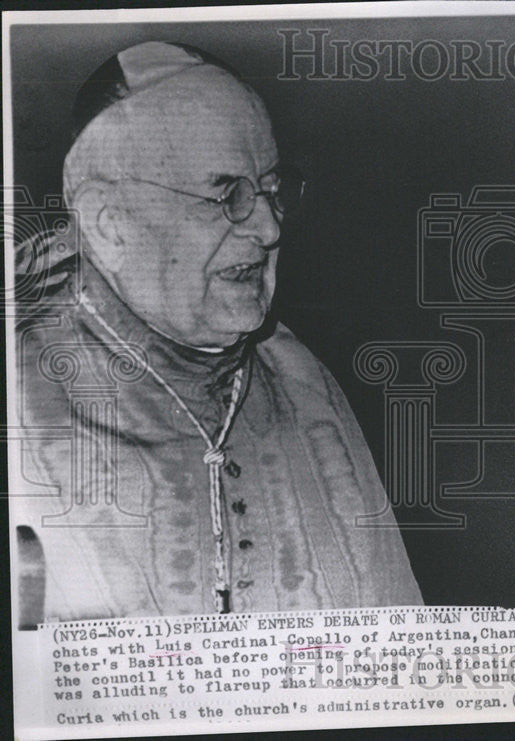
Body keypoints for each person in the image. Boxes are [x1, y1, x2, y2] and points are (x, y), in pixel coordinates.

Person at [13, 41, 422, 621]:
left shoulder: (302, 382)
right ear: (110, 225)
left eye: (273, 189)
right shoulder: (19, 388)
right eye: (226, 194)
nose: (268, 225)